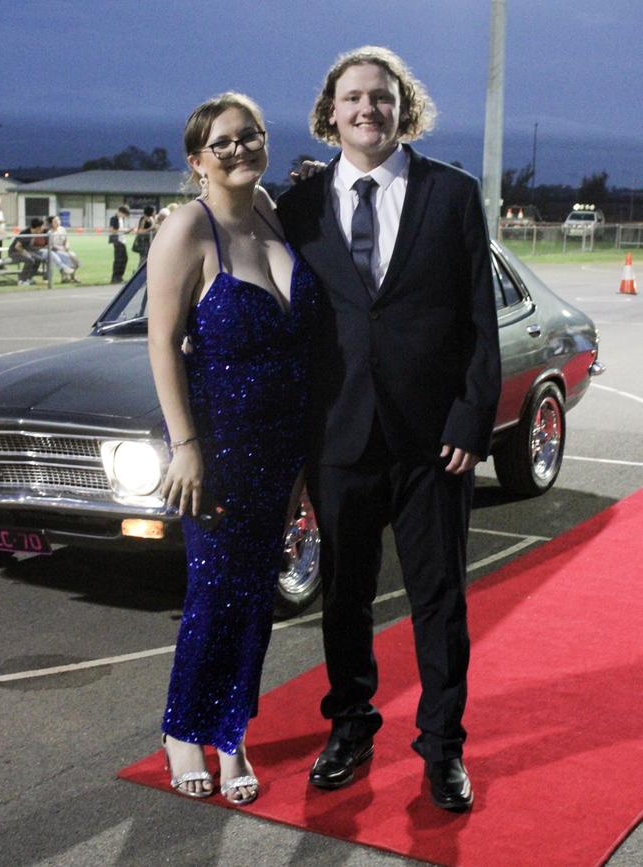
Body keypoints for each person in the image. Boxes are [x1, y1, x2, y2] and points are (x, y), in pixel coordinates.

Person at [277, 46, 501, 812]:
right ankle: (350, 724)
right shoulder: (299, 205)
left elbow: (480, 319)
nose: (367, 108)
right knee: (343, 596)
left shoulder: (452, 194)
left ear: (405, 108)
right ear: (329, 113)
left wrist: (472, 417)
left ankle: (443, 747)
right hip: (339, 437)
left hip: (433, 441)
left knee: (439, 600)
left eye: (381, 96)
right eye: (352, 98)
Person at [147, 92, 317, 804]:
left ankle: (232, 730)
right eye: (223, 142)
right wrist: (184, 445)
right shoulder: (190, 228)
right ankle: (185, 730)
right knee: (215, 594)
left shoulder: (276, 215)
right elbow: (160, 342)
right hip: (218, 447)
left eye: (251, 136)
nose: (241, 149)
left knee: (254, 599)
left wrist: (302, 465)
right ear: (197, 161)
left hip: (282, 448)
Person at [8, 218, 47, 284]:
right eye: (43, 226)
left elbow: (29, 246)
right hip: (14, 252)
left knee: (39, 259)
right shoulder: (25, 233)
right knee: (30, 260)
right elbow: (17, 247)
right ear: (38, 227)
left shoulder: (34, 233)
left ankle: (29, 278)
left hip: (23, 251)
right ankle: (21, 280)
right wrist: (27, 254)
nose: (44, 228)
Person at [47, 215, 81, 282]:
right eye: (55, 221)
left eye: (58, 220)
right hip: (55, 251)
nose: (58, 222)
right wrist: (61, 249)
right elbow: (51, 245)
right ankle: (64, 277)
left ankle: (72, 276)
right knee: (66, 257)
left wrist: (67, 246)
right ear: (51, 223)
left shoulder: (62, 229)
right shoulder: (50, 232)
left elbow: (66, 240)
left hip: (64, 249)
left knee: (74, 256)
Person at [109, 205, 131, 282]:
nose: (124, 216)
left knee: (124, 258)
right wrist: (123, 230)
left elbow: (120, 229)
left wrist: (126, 231)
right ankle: (115, 277)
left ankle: (119, 276)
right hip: (117, 241)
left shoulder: (121, 219)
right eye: (124, 214)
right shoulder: (113, 219)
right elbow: (112, 230)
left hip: (122, 240)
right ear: (120, 212)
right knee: (118, 259)